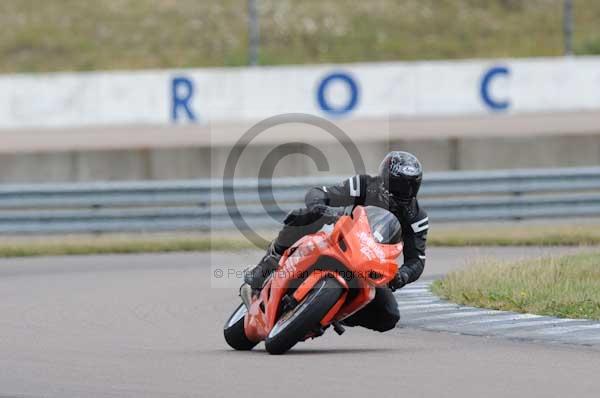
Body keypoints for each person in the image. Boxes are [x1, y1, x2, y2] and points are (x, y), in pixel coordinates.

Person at [244, 151, 428, 332]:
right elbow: (320, 193)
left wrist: (402, 276)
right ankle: (268, 263)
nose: (406, 191)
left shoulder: (416, 218)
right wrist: (320, 206)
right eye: (400, 184)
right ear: (386, 178)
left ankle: (334, 312)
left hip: (369, 265)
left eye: (411, 186)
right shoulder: (364, 185)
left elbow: (417, 260)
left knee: (389, 316)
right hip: (341, 239)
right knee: (305, 216)